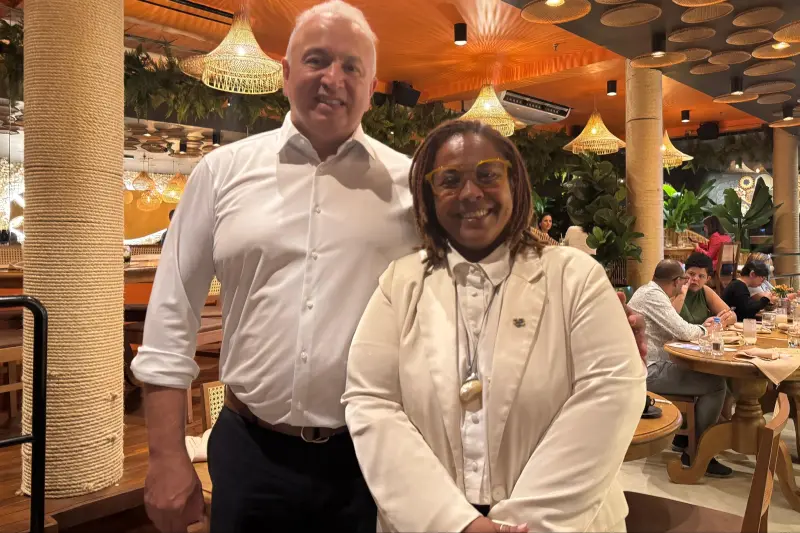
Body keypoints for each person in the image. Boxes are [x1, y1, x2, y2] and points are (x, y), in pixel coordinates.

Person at [132, 3, 647, 532]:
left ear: (371, 85)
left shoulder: (411, 186)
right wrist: (166, 456)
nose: (333, 78)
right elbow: (172, 319)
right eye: (316, 60)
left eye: (351, 66)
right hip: (251, 448)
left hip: (369, 460)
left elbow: (479, 273)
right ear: (285, 72)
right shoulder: (220, 173)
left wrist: (596, 320)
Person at [343, 120, 646, 533]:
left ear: (514, 184)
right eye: (449, 180)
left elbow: (612, 392)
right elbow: (371, 401)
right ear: (429, 197)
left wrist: (521, 525)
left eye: (488, 175)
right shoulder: (400, 283)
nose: (471, 192)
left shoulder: (576, 277)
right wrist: (457, 524)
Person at [628, 260, 732, 478]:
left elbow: (678, 329)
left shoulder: (649, 292)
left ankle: (685, 438)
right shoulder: (653, 296)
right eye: (684, 280)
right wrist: (709, 328)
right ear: (676, 281)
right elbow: (683, 331)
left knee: (706, 375)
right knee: (715, 384)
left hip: (646, 365)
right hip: (648, 371)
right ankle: (698, 452)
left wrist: (702, 328)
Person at [671, 252, 736, 326]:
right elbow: (670, 319)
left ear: (707, 279)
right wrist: (681, 295)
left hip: (703, 332)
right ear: (684, 273)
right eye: (691, 274)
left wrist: (717, 321)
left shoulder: (705, 291)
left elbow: (733, 316)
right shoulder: (675, 289)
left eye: (701, 276)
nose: (695, 278)